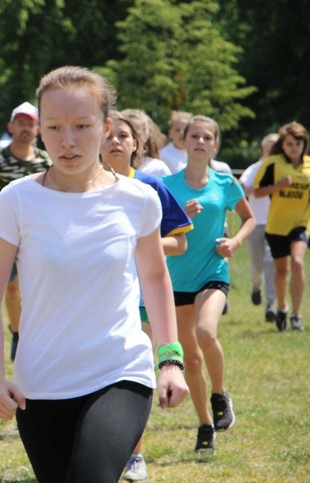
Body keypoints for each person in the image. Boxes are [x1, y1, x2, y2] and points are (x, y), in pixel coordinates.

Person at [0, 66, 189, 482]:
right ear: (39, 129)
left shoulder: (138, 199)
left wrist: (169, 359)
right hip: (40, 385)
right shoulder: (17, 200)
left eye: (81, 126)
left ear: (106, 127)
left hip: (119, 372)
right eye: (53, 127)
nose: (67, 140)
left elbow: (156, 279)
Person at [101, 111, 193, 482]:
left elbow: (181, 241)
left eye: (124, 135)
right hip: (100, 297)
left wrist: (140, 245)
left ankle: (134, 453)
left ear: (137, 144)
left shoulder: (151, 188)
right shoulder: (79, 189)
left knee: (133, 372)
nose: (116, 142)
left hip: (143, 295)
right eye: (108, 135)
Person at [162, 115, 255, 454]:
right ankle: (204, 425)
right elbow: (155, 231)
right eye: (194, 136)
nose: (200, 142)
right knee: (191, 360)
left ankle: (220, 393)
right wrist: (181, 216)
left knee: (206, 332)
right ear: (183, 142)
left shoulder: (225, 182)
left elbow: (249, 218)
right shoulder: (168, 185)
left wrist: (236, 243)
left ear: (215, 144)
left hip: (213, 272)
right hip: (176, 280)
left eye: (207, 137)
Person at [0, 101, 51, 361]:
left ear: (38, 129)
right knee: (12, 288)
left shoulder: (46, 161)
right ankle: (18, 333)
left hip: (41, 233)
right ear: (11, 126)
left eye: (30, 124)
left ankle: (37, 338)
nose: (25, 129)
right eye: (21, 123)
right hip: (5, 233)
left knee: (41, 287)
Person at [253, 122, 310, 331]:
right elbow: (257, 192)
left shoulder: (308, 166)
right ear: (282, 145)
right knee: (281, 270)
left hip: (301, 224)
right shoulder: (273, 163)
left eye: (298, 143)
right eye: (289, 143)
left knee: (297, 262)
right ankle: (282, 307)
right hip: (276, 225)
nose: (293, 147)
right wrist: (278, 187)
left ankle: (296, 313)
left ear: (304, 144)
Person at [239, 133, 279, 322]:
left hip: (276, 223)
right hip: (256, 222)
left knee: (271, 261)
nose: (271, 151)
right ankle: (257, 286)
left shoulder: (282, 170)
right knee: (257, 265)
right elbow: (243, 187)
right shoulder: (254, 169)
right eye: (268, 148)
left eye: (275, 148)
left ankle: (271, 304)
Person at [121, 108, 171, 178]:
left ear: (146, 136)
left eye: (135, 133)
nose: (131, 139)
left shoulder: (156, 169)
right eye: (123, 135)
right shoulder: (105, 169)